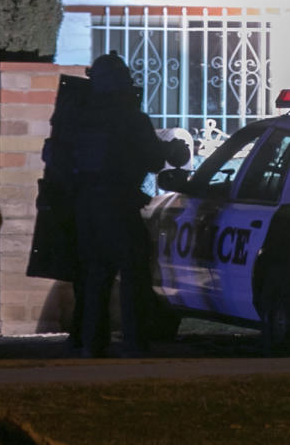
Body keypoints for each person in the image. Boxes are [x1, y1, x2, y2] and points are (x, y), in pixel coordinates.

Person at [72, 51, 189, 357]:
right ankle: (135, 341)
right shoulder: (131, 118)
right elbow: (152, 159)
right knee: (134, 272)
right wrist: (171, 149)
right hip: (118, 205)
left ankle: (92, 344)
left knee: (97, 275)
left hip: (85, 207)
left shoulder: (81, 118)